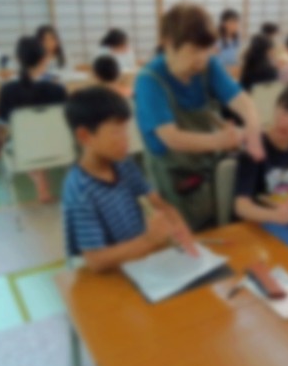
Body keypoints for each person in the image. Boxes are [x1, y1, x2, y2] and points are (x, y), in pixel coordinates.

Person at [135, 3, 263, 230]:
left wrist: (253, 134)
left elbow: (243, 102)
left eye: (207, 49)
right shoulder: (149, 81)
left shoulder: (208, 66)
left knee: (218, 230)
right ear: (168, 44)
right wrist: (220, 140)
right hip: (172, 177)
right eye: (194, 50)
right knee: (183, 238)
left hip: (207, 169)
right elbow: (171, 137)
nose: (201, 59)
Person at [62, 88, 197, 272]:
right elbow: (96, 261)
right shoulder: (80, 189)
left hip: (137, 262)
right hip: (106, 275)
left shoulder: (123, 164)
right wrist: (148, 240)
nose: (126, 139)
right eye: (116, 132)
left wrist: (177, 223)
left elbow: (156, 202)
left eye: (125, 129)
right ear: (84, 136)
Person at [0, 36, 67, 202]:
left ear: (18, 60)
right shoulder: (57, 89)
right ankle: (42, 180)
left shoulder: (7, 90)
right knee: (42, 133)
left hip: (22, 146)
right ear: (44, 60)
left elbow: (2, 122)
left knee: (9, 134)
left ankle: (38, 178)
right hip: (57, 143)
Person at [234, 85, 288, 224]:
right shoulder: (255, 145)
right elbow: (241, 207)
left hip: (287, 220)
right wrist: (275, 214)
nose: (287, 123)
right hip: (255, 224)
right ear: (276, 107)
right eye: (285, 112)